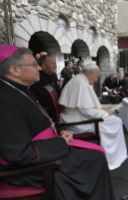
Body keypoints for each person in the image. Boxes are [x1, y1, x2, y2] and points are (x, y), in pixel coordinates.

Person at [0, 45, 115, 200]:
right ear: (15, 70)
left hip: (42, 151)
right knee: (96, 160)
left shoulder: (18, 90)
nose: (39, 69)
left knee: (95, 157)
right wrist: (60, 143)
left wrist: (59, 131)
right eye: (34, 65)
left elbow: (38, 122)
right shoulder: (6, 100)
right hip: (30, 170)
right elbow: (18, 154)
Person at [59, 64, 128, 170]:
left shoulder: (79, 80)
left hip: (74, 117)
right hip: (76, 123)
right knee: (116, 121)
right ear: (90, 73)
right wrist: (106, 113)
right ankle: (111, 159)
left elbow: (85, 107)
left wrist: (101, 110)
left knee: (115, 120)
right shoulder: (82, 84)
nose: (96, 80)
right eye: (96, 77)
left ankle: (116, 156)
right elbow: (89, 112)